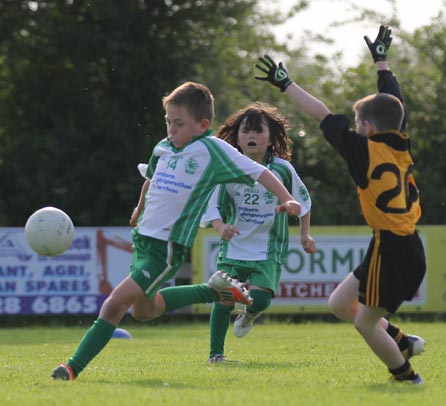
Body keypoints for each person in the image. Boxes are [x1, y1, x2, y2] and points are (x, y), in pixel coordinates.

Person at [51, 81, 302, 381]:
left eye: (179, 123)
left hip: (166, 248)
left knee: (114, 304)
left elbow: (261, 173)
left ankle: (71, 368)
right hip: (143, 242)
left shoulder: (213, 150)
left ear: (202, 125)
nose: (171, 129)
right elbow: (151, 178)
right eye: (168, 122)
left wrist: (287, 198)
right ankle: (215, 292)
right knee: (144, 311)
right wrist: (138, 208)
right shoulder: (164, 147)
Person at [255, 25, 426, 384]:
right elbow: (393, 101)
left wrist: (286, 84)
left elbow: (322, 113)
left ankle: (406, 377)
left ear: (364, 127)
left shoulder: (362, 151)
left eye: (359, 121)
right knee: (339, 304)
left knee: (364, 321)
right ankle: (401, 341)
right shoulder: (398, 142)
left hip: (392, 247)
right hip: (400, 243)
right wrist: (382, 62)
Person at [201, 102, 316, 362]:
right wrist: (220, 226)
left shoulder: (283, 170)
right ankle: (215, 355)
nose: (251, 136)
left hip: (269, 248)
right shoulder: (227, 169)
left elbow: (303, 202)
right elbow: (210, 206)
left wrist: (305, 234)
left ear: (271, 137)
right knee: (223, 299)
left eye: (258, 131)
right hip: (234, 247)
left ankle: (250, 313)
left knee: (261, 301)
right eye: (246, 131)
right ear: (237, 137)